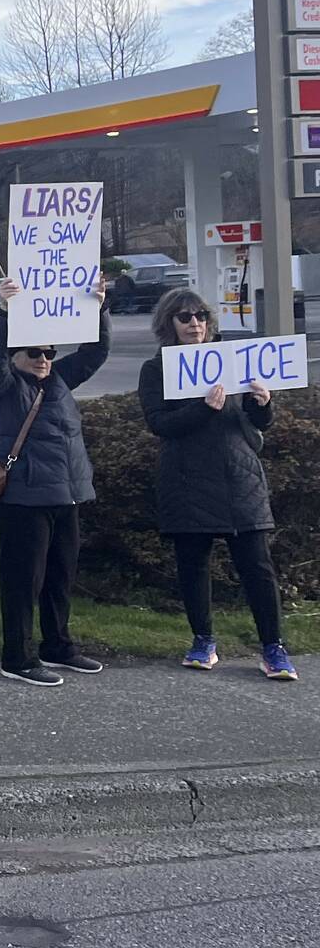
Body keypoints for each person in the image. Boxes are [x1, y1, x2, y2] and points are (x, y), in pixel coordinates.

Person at [137, 289, 297, 681]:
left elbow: (258, 425)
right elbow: (159, 424)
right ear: (169, 324)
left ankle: (273, 648)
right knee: (193, 566)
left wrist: (262, 403)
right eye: (184, 317)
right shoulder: (156, 369)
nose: (194, 323)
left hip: (238, 478)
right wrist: (201, 407)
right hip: (187, 480)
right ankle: (203, 640)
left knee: (257, 568)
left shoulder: (233, 361)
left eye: (200, 316)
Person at [0, 277, 109, 687]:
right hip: (22, 497)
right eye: (34, 352)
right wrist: (2, 313)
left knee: (60, 577)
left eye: (49, 352)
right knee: (22, 582)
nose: (44, 359)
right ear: (15, 355)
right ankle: (18, 656)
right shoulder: (0, 387)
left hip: (66, 495)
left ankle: (58, 645)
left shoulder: (59, 381)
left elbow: (95, 352)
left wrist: (98, 308)